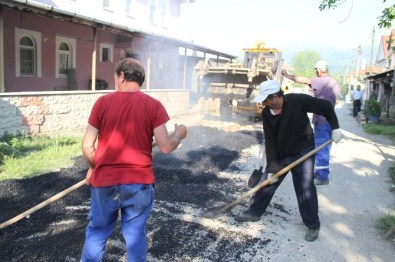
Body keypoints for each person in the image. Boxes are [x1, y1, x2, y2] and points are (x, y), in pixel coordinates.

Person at [80, 58, 187, 261]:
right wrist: (179, 133)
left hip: (105, 182)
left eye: (115, 77)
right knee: (135, 236)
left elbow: (87, 146)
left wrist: (94, 167)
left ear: (121, 76)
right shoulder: (153, 105)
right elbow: (165, 145)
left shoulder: (102, 103)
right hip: (139, 183)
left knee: (97, 233)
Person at [234, 80, 343, 242]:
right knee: (267, 182)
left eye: (266, 99)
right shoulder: (267, 113)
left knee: (305, 189)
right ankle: (254, 213)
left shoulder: (297, 101)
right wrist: (272, 168)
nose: (264, 103)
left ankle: (313, 225)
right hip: (282, 153)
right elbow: (270, 141)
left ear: (276, 96)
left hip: (303, 151)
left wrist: (335, 128)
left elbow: (326, 106)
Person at [281, 60, 340, 185]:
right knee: (323, 148)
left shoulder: (322, 81)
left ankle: (323, 177)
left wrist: (287, 75)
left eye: (316, 70)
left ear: (319, 70)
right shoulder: (334, 82)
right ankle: (320, 173)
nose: (316, 73)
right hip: (329, 120)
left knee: (321, 149)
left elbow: (303, 80)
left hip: (322, 121)